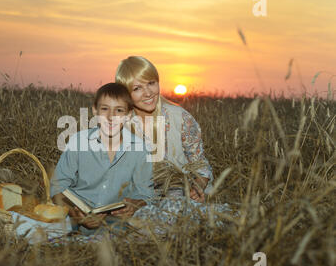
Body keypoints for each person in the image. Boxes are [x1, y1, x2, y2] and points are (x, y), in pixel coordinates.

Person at [111, 56, 230, 232]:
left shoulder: (179, 117)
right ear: (125, 94)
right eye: (137, 88)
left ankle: (199, 219)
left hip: (182, 190)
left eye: (151, 83)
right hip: (143, 196)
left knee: (172, 209)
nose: (148, 92)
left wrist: (198, 185)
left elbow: (201, 163)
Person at [50, 82, 155, 235]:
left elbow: (145, 193)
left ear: (128, 115)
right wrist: (74, 212)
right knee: (44, 228)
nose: (111, 117)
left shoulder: (139, 148)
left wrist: (135, 205)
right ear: (95, 110)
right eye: (104, 109)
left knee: (136, 229)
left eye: (119, 110)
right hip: (75, 214)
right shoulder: (78, 141)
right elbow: (57, 186)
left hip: (114, 219)